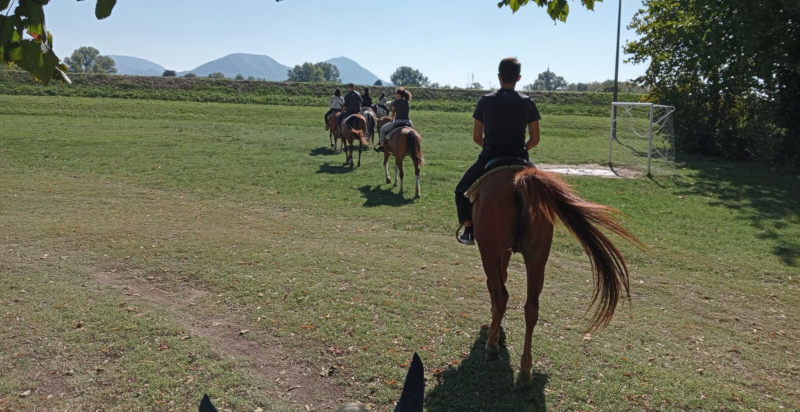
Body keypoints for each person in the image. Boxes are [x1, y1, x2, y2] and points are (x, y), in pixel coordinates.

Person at [454, 57, 541, 245]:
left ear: (499, 76)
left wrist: (490, 146)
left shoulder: (485, 101)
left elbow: (477, 136)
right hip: (520, 157)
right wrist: (523, 147)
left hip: (490, 157)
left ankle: (468, 230)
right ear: (519, 78)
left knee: (461, 190)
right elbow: (535, 139)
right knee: (544, 192)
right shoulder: (528, 102)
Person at [374, 87, 413, 152]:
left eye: (395, 93)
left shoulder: (395, 102)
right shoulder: (407, 102)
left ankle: (382, 146)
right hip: (408, 122)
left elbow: (393, 115)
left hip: (398, 121)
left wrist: (392, 119)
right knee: (412, 133)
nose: (395, 95)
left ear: (399, 94)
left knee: (382, 130)